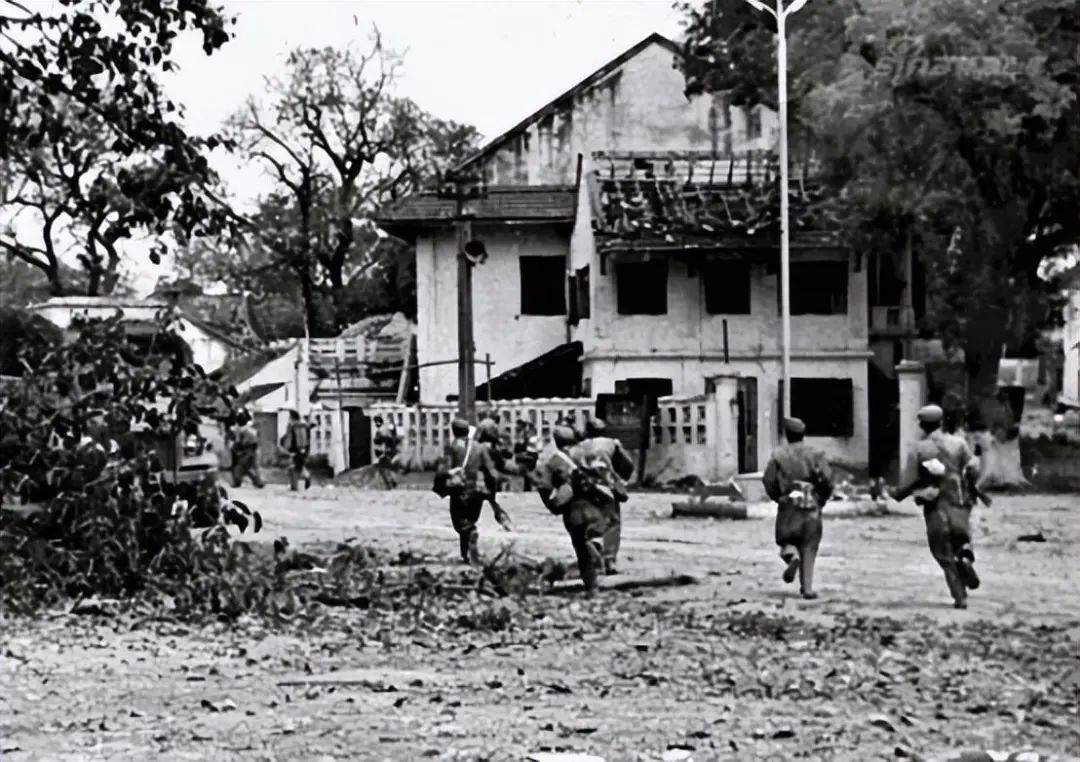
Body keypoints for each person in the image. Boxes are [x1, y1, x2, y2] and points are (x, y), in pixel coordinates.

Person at [891, 404, 981, 609]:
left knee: (942, 551)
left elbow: (909, 480)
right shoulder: (959, 443)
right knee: (961, 537)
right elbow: (973, 468)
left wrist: (900, 494)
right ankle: (965, 557)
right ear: (941, 422)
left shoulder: (919, 448)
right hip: (958, 498)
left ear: (922, 425)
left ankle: (960, 597)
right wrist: (970, 488)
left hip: (934, 503)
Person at [530, 426, 613, 596]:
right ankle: (602, 562)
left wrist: (554, 505)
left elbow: (544, 487)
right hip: (594, 505)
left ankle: (592, 587)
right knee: (594, 536)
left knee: (581, 549)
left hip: (573, 510)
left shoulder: (553, 460)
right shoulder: (587, 455)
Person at [761, 417, 833, 599]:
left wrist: (778, 497)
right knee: (810, 545)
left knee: (786, 539)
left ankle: (791, 556)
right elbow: (827, 480)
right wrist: (822, 498)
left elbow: (768, 479)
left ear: (787, 435)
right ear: (803, 434)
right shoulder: (816, 454)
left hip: (789, 503)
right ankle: (807, 588)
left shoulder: (779, 455)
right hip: (811, 502)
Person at [433, 418, 500, 565]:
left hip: (459, 491)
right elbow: (492, 473)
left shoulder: (452, 447)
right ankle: (465, 555)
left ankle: (468, 547)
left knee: (460, 524)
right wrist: (491, 492)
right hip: (476, 491)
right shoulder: (479, 448)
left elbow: (442, 471)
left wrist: (442, 482)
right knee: (470, 520)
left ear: (453, 431)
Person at [575, 418, 635, 574]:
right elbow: (628, 464)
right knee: (612, 522)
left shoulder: (578, 447)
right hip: (606, 487)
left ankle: (593, 555)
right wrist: (621, 479)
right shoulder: (611, 443)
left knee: (588, 523)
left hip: (585, 490)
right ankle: (609, 559)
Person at [475, 418, 515, 531]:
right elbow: (503, 461)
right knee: (492, 502)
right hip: (490, 478)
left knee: (480, 503)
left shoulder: (477, 447)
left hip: (479, 478)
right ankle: (503, 519)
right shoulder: (494, 448)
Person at [229, 410, 264, 489]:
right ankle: (258, 482)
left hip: (247, 450)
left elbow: (238, 442)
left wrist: (235, 450)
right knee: (249, 467)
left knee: (239, 467)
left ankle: (237, 482)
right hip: (254, 449)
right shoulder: (251, 429)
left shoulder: (240, 430)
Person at [280, 409, 312, 491]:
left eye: (289, 417)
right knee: (300, 466)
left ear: (292, 418)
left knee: (293, 468)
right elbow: (308, 438)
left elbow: (289, 438)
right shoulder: (305, 425)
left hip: (295, 449)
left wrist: (286, 449)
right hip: (304, 449)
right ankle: (307, 477)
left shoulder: (292, 426)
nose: (289, 419)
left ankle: (294, 486)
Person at [514, 420, 541, 491]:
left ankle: (529, 486)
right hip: (529, 455)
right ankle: (528, 487)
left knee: (528, 472)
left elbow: (530, 446)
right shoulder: (525, 434)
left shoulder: (531, 436)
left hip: (531, 456)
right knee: (527, 473)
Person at [372, 416, 399, 489]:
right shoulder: (382, 430)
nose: (375, 424)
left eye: (376, 422)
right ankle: (391, 482)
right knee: (386, 469)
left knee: (383, 469)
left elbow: (384, 442)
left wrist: (384, 452)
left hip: (384, 453)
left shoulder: (381, 431)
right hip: (384, 453)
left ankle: (389, 483)